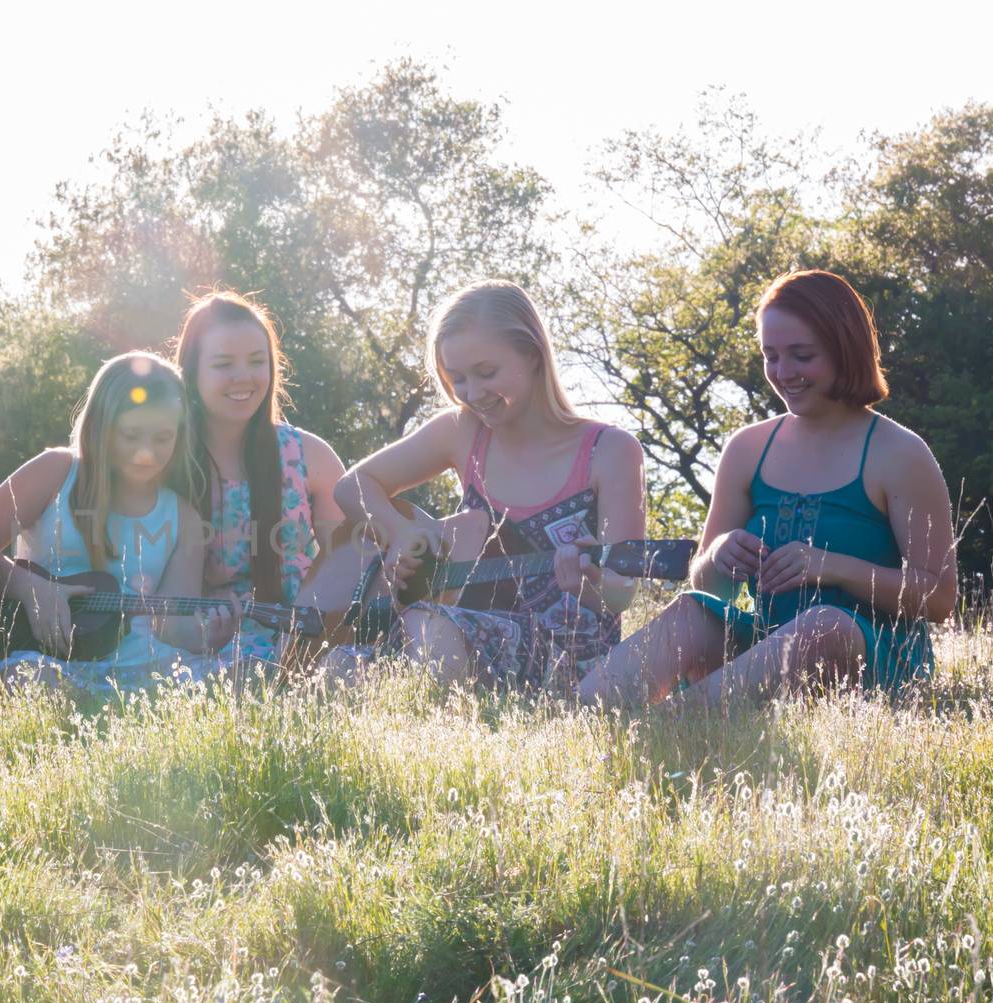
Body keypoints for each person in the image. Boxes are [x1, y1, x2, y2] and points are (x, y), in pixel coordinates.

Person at [578, 270, 957, 709]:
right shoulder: (748, 448)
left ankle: (674, 728)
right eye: (771, 356)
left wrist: (832, 567)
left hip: (872, 655)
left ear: (844, 349)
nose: (783, 372)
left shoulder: (900, 453)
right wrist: (720, 554)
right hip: (762, 647)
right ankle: (595, 715)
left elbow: (939, 598)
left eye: (801, 355)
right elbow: (708, 584)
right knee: (690, 610)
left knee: (824, 625)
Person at [333, 279, 646, 690]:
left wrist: (589, 582)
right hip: (449, 629)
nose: (473, 393)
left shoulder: (611, 450)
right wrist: (402, 534)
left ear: (533, 356)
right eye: (458, 378)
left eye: (487, 373)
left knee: (428, 629)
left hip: (569, 659)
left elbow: (622, 592)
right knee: (340, 664)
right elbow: (353, 485)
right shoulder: (462, 431)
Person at [0, 351, 235, 692]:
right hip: (46, 655)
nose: (146, 452)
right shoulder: (55, 472)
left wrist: (204, 635)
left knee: (243, 675)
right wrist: (32, 588)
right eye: (131, 436)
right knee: (27, 680)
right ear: (101, 427)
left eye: (162, 438)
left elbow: (170, 625)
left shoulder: (184, 518)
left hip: (139, 663)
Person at [172, 292, 347, 673]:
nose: (244, 377)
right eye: (223, 364)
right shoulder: (167, 461)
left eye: (257, 361)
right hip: (206, 647)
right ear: (192, 371)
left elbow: (348, 563)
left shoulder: (309, 456)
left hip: (307, 638)